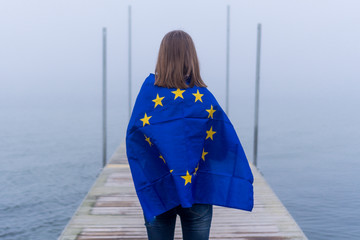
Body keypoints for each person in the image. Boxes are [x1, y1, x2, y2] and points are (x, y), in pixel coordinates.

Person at [126, 30, 254, 240]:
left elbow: (134, 142)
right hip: (198, 189)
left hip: (159, 188)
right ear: (191, 57)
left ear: (162, 56)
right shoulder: (204, 98)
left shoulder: (148, 94)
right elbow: (222, 149)